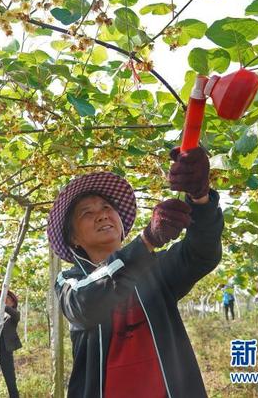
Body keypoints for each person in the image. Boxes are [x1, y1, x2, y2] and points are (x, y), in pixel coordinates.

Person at [48, 147, 223, 398]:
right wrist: (147, 240)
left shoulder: (156, 268)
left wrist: (200, 199)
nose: (102, 215)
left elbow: (202, 253)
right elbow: (84, 306)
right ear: (74, 239)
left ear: (120, 224)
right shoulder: (70, 281)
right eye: (87, 213)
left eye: (107, 207)